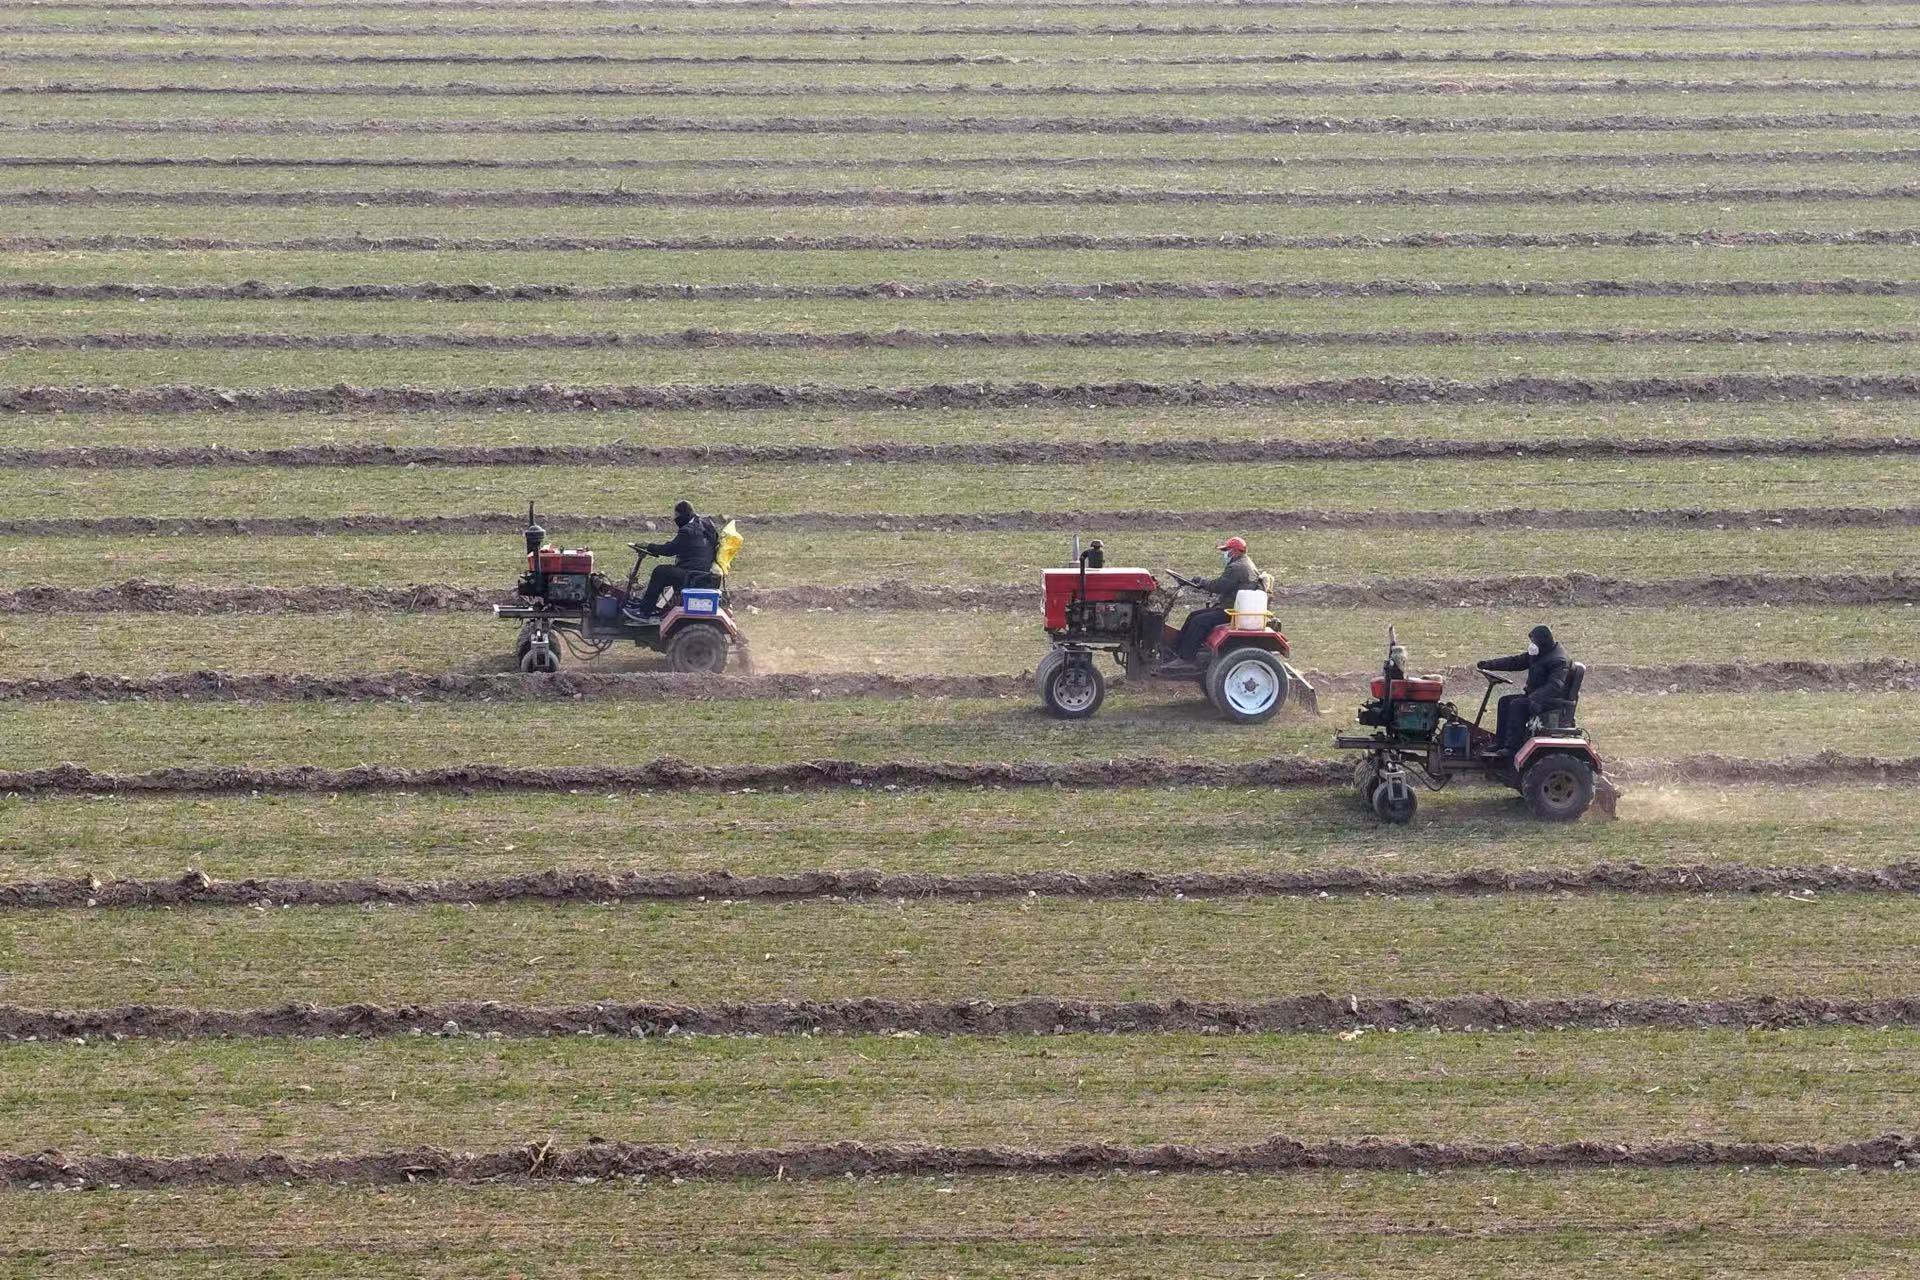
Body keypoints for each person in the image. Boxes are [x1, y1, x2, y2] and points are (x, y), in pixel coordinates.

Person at [1155, 536, 1262, 674]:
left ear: (1234, 551)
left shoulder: (1238, 567)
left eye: (1226, 550)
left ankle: (1187, 658)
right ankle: (1176, 652)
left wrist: (1201, 582)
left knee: (1200, 621)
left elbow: (1219, 586)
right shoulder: (1242, 564)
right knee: (1193, 615)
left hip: (1231, 610)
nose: (1224, 553)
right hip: (1231, 606)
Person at [1476, 624, 1571, 755]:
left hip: (1549, 701)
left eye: (1534, 641)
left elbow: (1555, 685)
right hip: (1535, 697)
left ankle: (1512, 748)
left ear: (1543, 641)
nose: (1532, 644)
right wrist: (1489, 664)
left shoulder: (1558, 660)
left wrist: (1535, 697)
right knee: (1504, 701)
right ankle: (1500, 743)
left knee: (1517, 705)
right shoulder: (1540, 653)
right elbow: (1515, 662)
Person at [625, 500, 718, 619]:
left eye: (677, 516)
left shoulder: (688, 531)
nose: (675, 519)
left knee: (660, 572)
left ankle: (644, 612)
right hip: (702, 572)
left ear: (683, 514)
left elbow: (669, 549)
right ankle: (650, 607)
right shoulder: (706, 525)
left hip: (691, 574)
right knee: (667, 571)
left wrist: (649, 546)